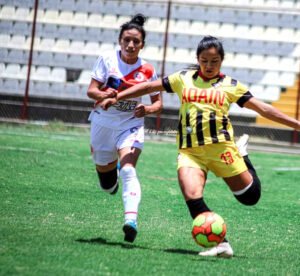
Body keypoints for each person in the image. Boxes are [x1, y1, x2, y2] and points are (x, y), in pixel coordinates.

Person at [100, 36, 300, 256]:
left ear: (221, 61)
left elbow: (264, 109)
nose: (209, 65)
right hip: (190, 153)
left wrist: (296, 124)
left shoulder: (231, 85)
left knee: (249, 197)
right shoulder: (182, 78)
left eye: (214, 61)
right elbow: (147, 86)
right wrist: (117, 95)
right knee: (192, 194)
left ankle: (242, 154)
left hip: (222, 150)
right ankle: (222, 244)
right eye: (205, 60)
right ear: (198, 59)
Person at [87, 14, 162, 243]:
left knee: (128, 169)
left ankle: (131, 220)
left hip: (130, 125)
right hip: (102, 123)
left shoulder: (148, 70)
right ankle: (112, 180)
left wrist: (147, 110)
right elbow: (91, 91)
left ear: (142, 45)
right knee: (107, 186)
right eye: (127, 40)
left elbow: (158, 103)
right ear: (120, 41)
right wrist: (104, 95)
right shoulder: (107, 59)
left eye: (136, 41)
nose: (131, 45)